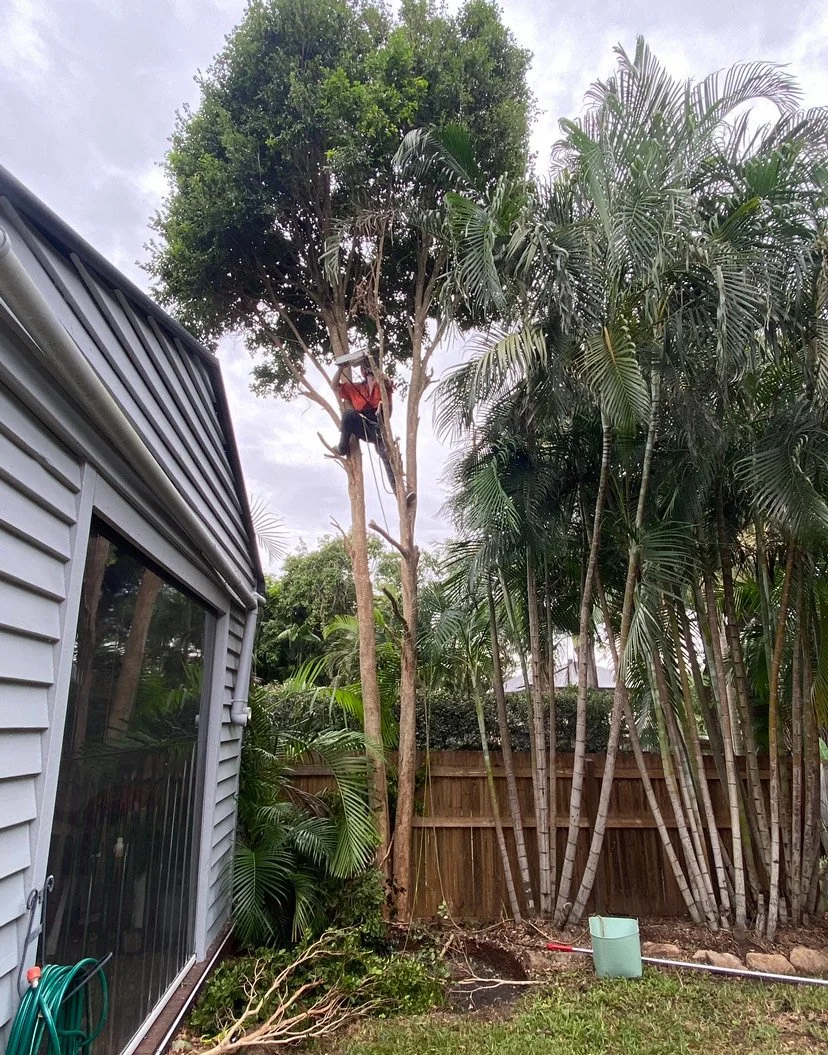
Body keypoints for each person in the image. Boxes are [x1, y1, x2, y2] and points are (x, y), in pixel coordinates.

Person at [334, 358, 396, 488]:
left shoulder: (382, 384)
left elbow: (387, 382)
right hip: (364, 423)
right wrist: (341, 368)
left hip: (379, 427)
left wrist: (380, 376)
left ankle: (398, 491)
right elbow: (334, 386)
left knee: (386, 454)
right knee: (348, 415)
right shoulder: (356, 387)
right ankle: (342, 448)